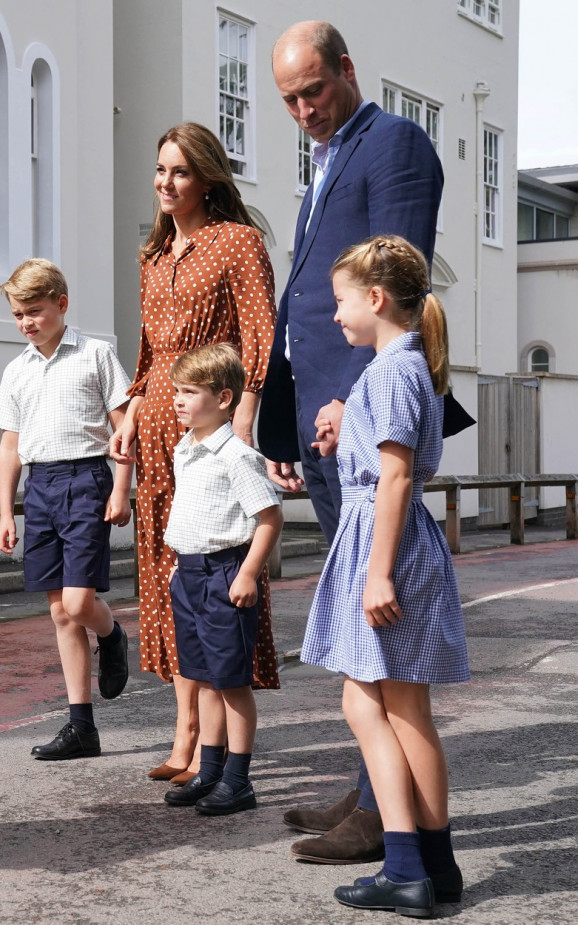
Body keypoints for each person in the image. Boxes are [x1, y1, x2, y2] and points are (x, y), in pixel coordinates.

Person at [257, 20, 469, 865]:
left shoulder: (396, 144)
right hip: (318, 410)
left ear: (347, 70)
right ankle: (369, 789)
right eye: (289, 99)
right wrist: (281, 417)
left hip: (357, 410)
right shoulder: (320, 159)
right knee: (355, 630)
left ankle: (390, 822)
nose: (303, 109)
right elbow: (306, 299)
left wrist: (349, 397)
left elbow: (393, 277)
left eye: (314, 89)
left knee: (374, 629)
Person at [109, 123, 279, 784]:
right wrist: (126, 418)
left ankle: (215, 744)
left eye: (180, 171)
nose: (166, 183)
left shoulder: (237, 243)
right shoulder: (153, 255)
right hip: (154, 430)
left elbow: (259, 338)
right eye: (160, 170)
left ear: (207, 177)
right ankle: (184, 730)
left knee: (217, 567)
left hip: (210, 430)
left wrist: (242, 424)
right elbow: (149, 356)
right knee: (166, 580)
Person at [305, 235, 469, 915]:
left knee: (376, 705)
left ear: (375, 299)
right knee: (401, 710)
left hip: (387, 546)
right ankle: (434, 865)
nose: (335, 313)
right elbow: (386, 460)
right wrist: (348, 433)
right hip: (388, 539)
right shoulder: (401, 367)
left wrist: (378, 575)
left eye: (341, 300)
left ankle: (405, 865)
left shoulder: (392, 371)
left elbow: (396, 472)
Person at [0, 258, 132, 760]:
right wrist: (7, 513)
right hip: (42, 486)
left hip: (88, 479)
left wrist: (121, 490)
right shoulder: (16, 370)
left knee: (78, 604)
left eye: (35, 311)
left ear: (61, 304)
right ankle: (81, 728)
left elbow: (122, 430)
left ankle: (112, 635)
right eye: (18, 314)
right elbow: (10, 446)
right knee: (59, 613)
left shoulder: (96, 353)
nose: (27, 322)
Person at [159, 344, 283, 815]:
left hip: (226, 575)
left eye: (190, 392)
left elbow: (270, 518)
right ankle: (208, 771)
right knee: (202, 678)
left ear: (225, 398)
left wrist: (249, 572)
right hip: (189, 574)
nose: (178, 400)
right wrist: (179, 565)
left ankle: (238, 779)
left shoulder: (236, 455)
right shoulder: (185, 447)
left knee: (231, 682)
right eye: (177, 391)